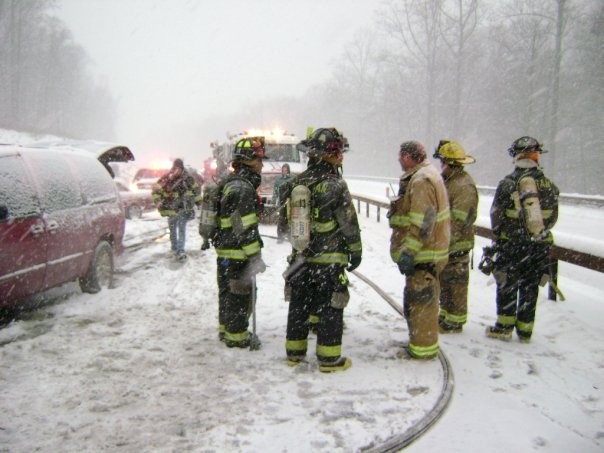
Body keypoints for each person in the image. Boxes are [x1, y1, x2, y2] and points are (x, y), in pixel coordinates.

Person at [281, 127, 362, 373]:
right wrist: (356, 250)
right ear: (331, 154)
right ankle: (329, 360)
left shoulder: (298, 182)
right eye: (339, 152)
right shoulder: (336, 184)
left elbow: (286, 224)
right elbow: (348, 223)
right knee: (330, 307)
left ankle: (294, 354)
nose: (342, 157)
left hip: (301, 259)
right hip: (329, 260)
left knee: (299, 305)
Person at [485, 136, 559, 343]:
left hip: (511, 245)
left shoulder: (507, 184)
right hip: (538, 246)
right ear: (537, 156)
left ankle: (504, 326)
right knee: (530, 286)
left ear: (515, 156)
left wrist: (503, 235)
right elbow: (552, 217)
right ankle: (525, 331)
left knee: (507, 284)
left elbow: (496, 216)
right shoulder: (549, 185)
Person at [388, 140, 450, 360]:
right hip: (429, 251)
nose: (398, 160)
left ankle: (422, 350)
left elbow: (423, 222)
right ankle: (420, 342)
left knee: (422, 302)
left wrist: (409, 252)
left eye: (400, 156)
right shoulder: (426, 174)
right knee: (419, 300)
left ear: (407, 156)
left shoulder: (422, 180)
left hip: (425, 253)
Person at [213, 137, 267, 348]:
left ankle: (226, 330)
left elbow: (232, 219)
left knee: (227, 293)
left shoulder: (230, 182)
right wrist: (255, 256)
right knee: (240, 295)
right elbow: (242, 226)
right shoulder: (242, 188)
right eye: (260, 160)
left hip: (226, 251)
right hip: (239, 253)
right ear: (249, 161)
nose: (262, 165)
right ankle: (237, 337)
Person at [433, 140, 478, 334]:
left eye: (443, 162)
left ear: (450, 163)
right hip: (448, 243)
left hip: (457, 243)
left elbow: (460, 219)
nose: (441, 165)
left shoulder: (463, 185)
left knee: (457, 283)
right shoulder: (451, 181)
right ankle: (446, 315)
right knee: (446, 281)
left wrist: (446, 239)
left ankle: (456, 321)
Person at [152, 158, 202, 261]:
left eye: (178, 168)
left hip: (183, 209)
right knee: (172, 230)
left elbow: (196, 190)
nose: (176, 171)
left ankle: (180, 250)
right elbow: (155, 190)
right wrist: (158, 202)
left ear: (182, 168)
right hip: (171, 210)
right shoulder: (166, 178)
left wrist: (199, 203)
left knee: (181, 229)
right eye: (174, 168)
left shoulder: (188, 179)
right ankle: (174, 248)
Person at [272, 164, 294, 242]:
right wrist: (274, 200)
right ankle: (280, 237)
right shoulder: (278, 179)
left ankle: (289, 236)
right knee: (282, 219)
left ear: (288, 170)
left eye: (286, 170)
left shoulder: (292, 178)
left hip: (291, 202)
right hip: (282, 202)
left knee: (290, 219)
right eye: (283, 170)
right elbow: (275, 191)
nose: (284, 172)